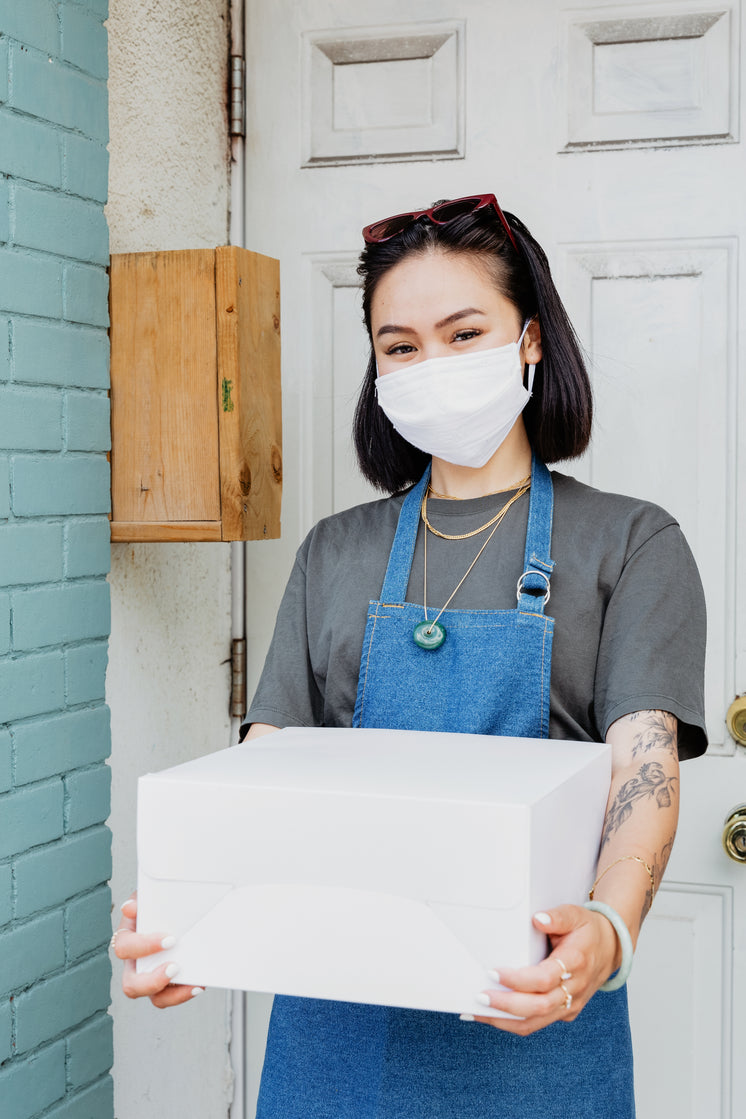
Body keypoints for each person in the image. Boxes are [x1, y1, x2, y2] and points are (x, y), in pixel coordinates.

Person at [113, 193, 707, 1118]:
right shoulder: (332, 553)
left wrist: (608, 929)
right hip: (335, 1039)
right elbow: (268, 774)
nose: (431, 364)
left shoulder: (630, 544)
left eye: (464, 332)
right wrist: (192, 921)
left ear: (532, 339)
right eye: (400, 346)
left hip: (534, 1020)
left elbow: (645, 775)